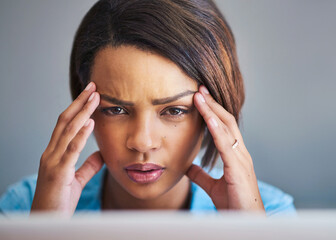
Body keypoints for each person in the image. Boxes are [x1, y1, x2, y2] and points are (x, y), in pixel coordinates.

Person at [0, 0, 295, 217]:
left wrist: (249, 232)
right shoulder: (25, 208)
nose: (142, 141)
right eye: (115, 110)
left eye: (174, 110)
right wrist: (42, 231)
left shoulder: (271, 215)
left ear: (214, 113)